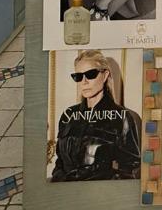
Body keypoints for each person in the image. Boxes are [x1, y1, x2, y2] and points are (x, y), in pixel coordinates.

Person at [50, 50, 141, 182]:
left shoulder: (122, 117)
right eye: (78, 76)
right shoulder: (69, 115)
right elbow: (60, 162)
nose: (84, 82)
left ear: (105, 76)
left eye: (90, 74)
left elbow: (131, 168)